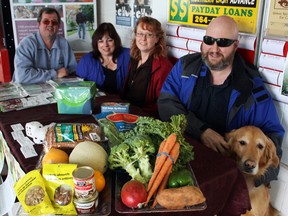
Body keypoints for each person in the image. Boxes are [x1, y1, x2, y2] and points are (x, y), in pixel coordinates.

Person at [158, 16, 285, 186]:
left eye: (223, 42)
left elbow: (273, 137)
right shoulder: (185, 67)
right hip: (178, 163)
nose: (214, 48)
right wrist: (201, 130)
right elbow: (166, 103)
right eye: (209, 40)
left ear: (235, 45)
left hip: (223, 176)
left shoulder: (252, 89)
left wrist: (254, 182)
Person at [121, 16, 173, 116]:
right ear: (135, 35)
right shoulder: (134, 58)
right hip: (127, 112)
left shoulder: (164, 67)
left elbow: (162, 103)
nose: (143, 39)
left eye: (149, 35)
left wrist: (137, 114)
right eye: (140, 34)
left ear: (157, 39)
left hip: (145, 118)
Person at [13, 7, 77, 84]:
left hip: (56, 91)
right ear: (39, 24)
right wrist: (55, 74)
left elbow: (72, 70)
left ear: (58, 26)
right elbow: (22, 76)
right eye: (46, 21)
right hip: (28, 92)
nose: (50, 24)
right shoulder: (27, 44)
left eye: (54, 22)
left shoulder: (64, 44)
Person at [76, 23, 130, 94]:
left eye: (110, 40)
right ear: (96, 44)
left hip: (125, 103)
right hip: (97, 103)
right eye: (101, 41)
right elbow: (78, 88)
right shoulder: (86, 61)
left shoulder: (128, 55)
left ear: (116, 41)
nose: (105, 45)